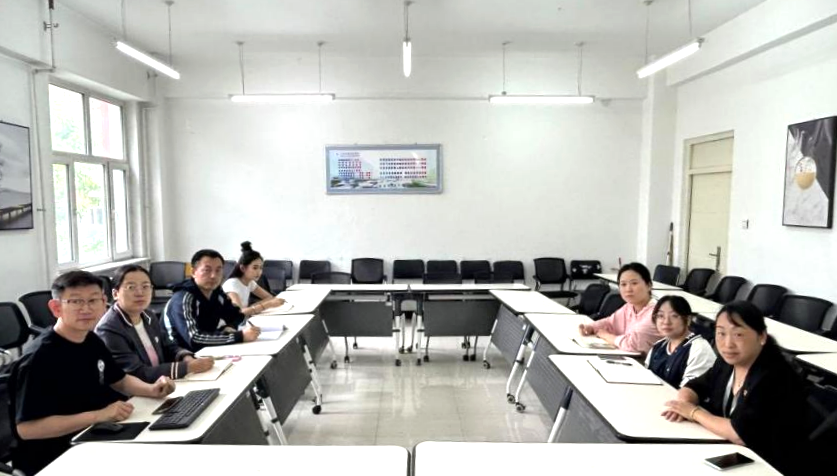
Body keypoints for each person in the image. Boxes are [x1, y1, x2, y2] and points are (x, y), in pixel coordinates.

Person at [11, 271, 176, 475]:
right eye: (76, 301)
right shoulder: (38, 359)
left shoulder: (91, 339)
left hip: (94, 436)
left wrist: (151, 389)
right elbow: (27, 430)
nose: (86, 309)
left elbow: (119, 380)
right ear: (56, 308)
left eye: (93, 300)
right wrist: (99, 415)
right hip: (56, 457)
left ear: (104, 303)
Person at [662, 301, 821, 476]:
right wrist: (682, 405)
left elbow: (740, 433)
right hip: (733, 453)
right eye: (721, 333)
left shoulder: (775, 376)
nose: (727, 344)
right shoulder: (727, 362)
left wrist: (693, 412)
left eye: (738, 334)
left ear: (761, 336)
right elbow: (695, 386)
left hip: (773, 463)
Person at [96, 264, 215, 382]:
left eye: (145, 286)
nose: (140, 293)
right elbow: (136, 373)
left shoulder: (149, 316)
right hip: (138, 391)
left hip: (162, 383)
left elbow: (168, 346)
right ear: (115, 294)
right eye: (131, 287)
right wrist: (187, 367)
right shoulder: (109, 329)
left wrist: (186, 357)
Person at [164, 249, 261, 352]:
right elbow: (194, 339)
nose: (213, 276)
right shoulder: (183, 297)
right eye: (207, 270)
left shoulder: (216, 292)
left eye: (218, 270)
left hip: (207, 349)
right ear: (193, 272)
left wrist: (229, 327)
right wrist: (239, 336)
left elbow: (237, 315)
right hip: (182, 354)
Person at [578, 262, 660, 353]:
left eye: (634, 283)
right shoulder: (629, 307)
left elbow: (632, 344)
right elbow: (610, 322)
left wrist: (606, 335)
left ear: (649, 285)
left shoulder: (657, 313)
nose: (628, 289)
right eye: (623, 284)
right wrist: (591, 327)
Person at [645, 295, 715, 388]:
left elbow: (691, 390)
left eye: (674, 316)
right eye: (661, 316)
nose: (666, 322)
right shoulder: (659, 346)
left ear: (688, 320)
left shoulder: (699, 350)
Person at [222, 241, 285, 316]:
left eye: (261, 268)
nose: (259, 272)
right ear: (242, 268)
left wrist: (252, 309)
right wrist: (266, 305)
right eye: (255, 268)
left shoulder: (250, 282)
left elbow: (269, 297)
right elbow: (239, 313)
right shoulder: (232, 284)